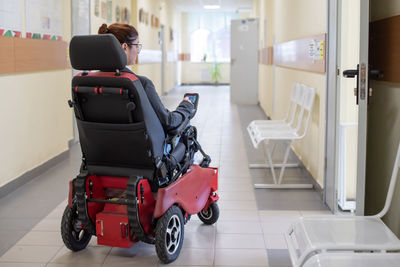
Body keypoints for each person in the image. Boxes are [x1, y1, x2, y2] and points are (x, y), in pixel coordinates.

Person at [98, 23, 194, 132]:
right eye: (137, 45)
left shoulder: (85, 82)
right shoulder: (141, 83)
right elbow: (169, 122)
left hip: (100, 147)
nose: (138, 51)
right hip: (136, 147)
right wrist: (186, 106)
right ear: (125, 47)